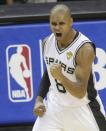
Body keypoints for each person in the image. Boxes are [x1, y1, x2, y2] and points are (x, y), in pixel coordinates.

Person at [32, 4, 106, 131]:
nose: (57, 28)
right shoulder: (46, 43)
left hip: (82, 109)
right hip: (55, 106)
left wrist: (61, 77)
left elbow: (80, 92)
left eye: (62, 23)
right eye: (53, 24)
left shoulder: (84, 49)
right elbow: (49, 73)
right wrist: (39, 100)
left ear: (71, 22)